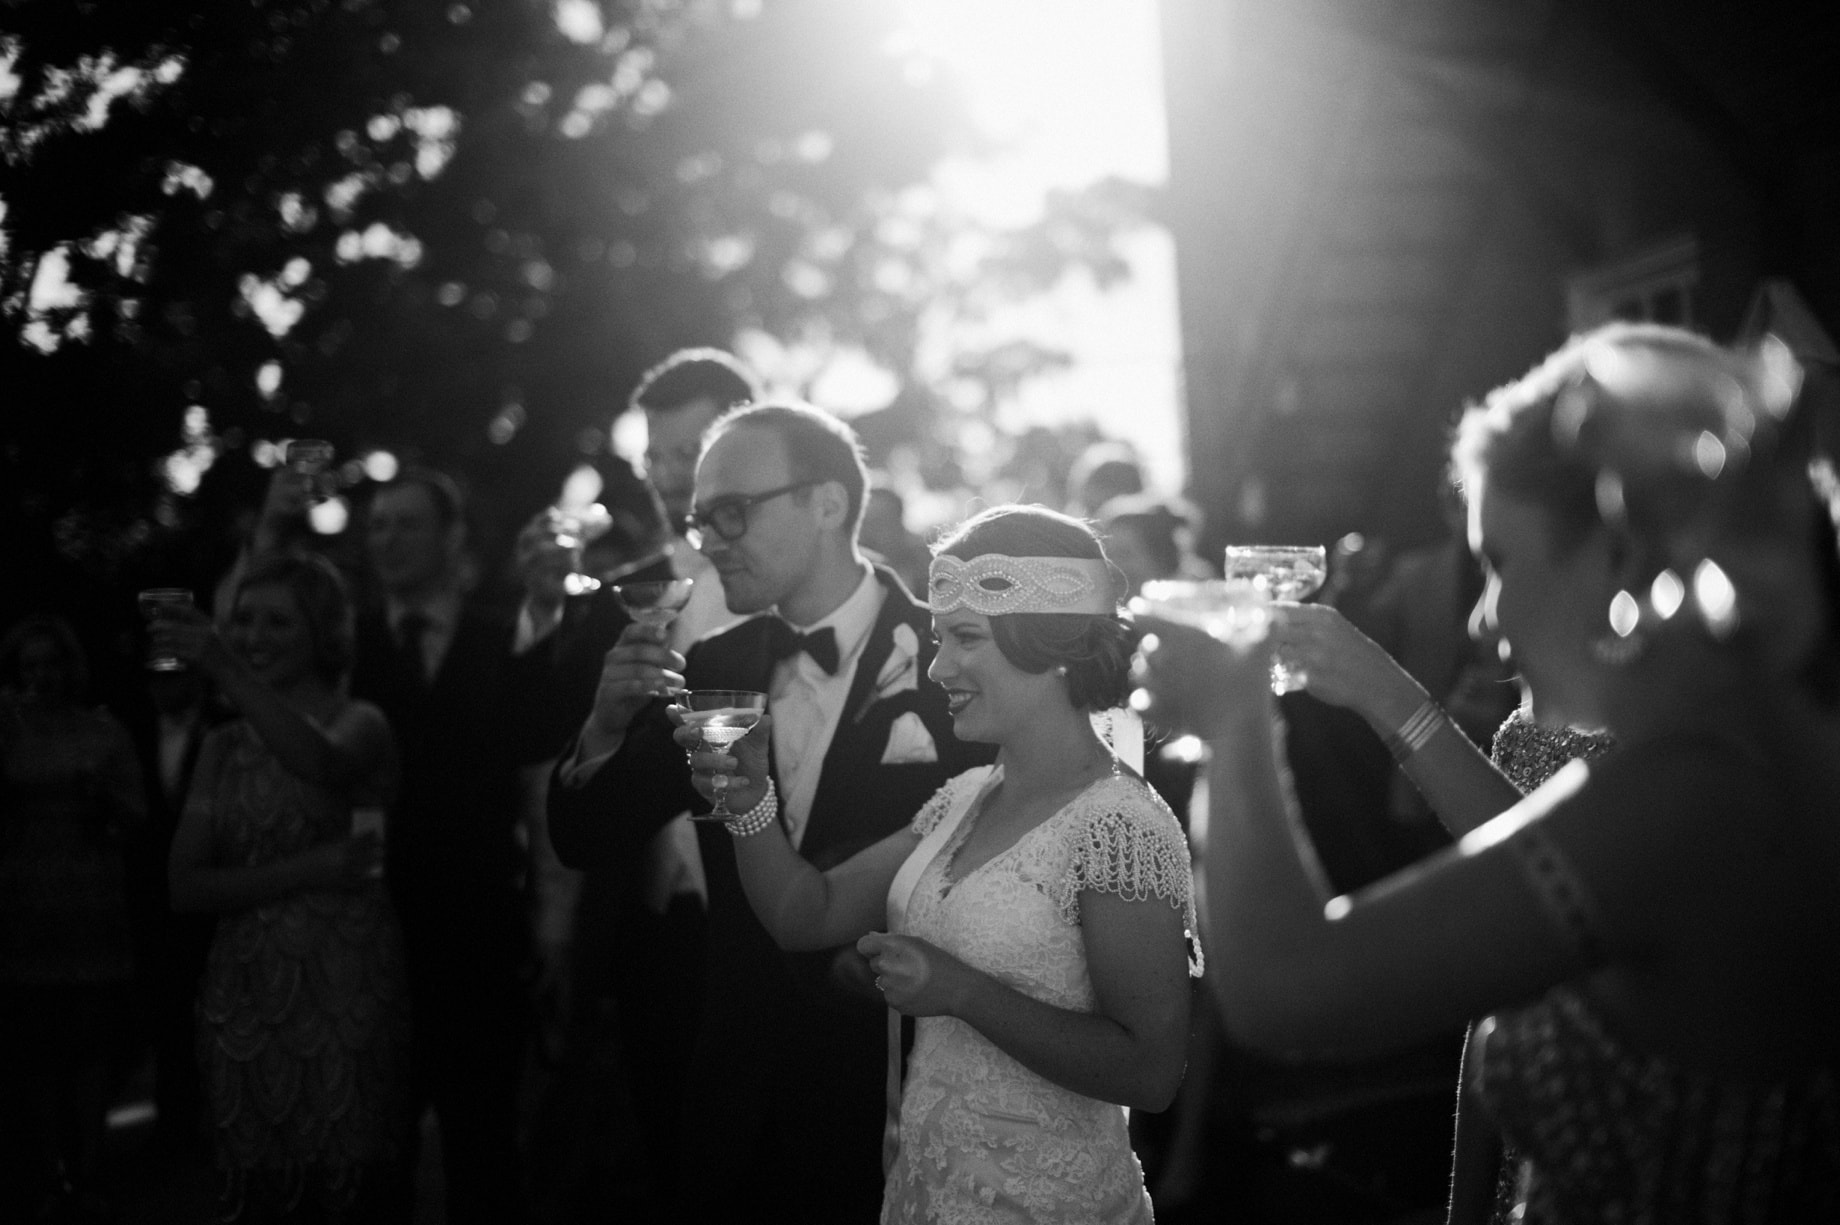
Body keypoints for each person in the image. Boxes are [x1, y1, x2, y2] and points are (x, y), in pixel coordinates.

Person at [1137, 322, 1840, 1221]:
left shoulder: (1694, 799)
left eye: (1500, 562)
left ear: (1621, 551)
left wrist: (1232, 715)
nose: (1482, 622)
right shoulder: (1751, 752)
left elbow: (1288, 989)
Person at [547, 401, 990, 1224]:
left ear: (825, 503)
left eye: (730, 512)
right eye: (698, 518)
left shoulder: (950, 662)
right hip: (737, 1093)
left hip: (901, 1094)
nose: (708, 538)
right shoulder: (717, 662)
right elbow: (587, 836)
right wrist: (604, 725)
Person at [695, 503, 1198, 1222]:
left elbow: (1151, 1072)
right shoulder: (964, 799)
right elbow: (806, 913)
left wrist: (961, 989)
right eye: (938, 638)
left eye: (964, 638)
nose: (937, 668)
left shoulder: (1118, 823)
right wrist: (750, 800)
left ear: (1049, 643)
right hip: (923, 1194)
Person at [158, 555, 410, 1222]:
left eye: (276, 621)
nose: (253, 635)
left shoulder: (362, 720)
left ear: (323, 631)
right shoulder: (221, 746)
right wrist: (308, 869)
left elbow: (321, 764)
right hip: (244, 996)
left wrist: (224, 668)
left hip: (345, 987)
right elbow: (184, 885)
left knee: (351, 1183)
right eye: (241, 621)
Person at [349, 468, 558, 1224]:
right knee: (373, 1150)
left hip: (480, 927)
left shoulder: (503, 634)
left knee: (484, 1149)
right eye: (376, 526)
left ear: (452, 535)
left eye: (406, 523)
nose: (387, 539)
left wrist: (549, 921)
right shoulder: (348, 644)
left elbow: (540, 781)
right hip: (367, 925)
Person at [0, 615, 146, 1224]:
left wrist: (104, 795)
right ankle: (49, 1173)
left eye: (51, 664)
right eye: (29, 666)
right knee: (36, 1053)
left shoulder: (104, 732)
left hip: (89, 905)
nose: (43, 677)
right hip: (23, 908)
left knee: (88, 1051)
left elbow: (139, 815)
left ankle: (88, 1171)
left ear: (70, 667)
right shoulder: (5, 731)